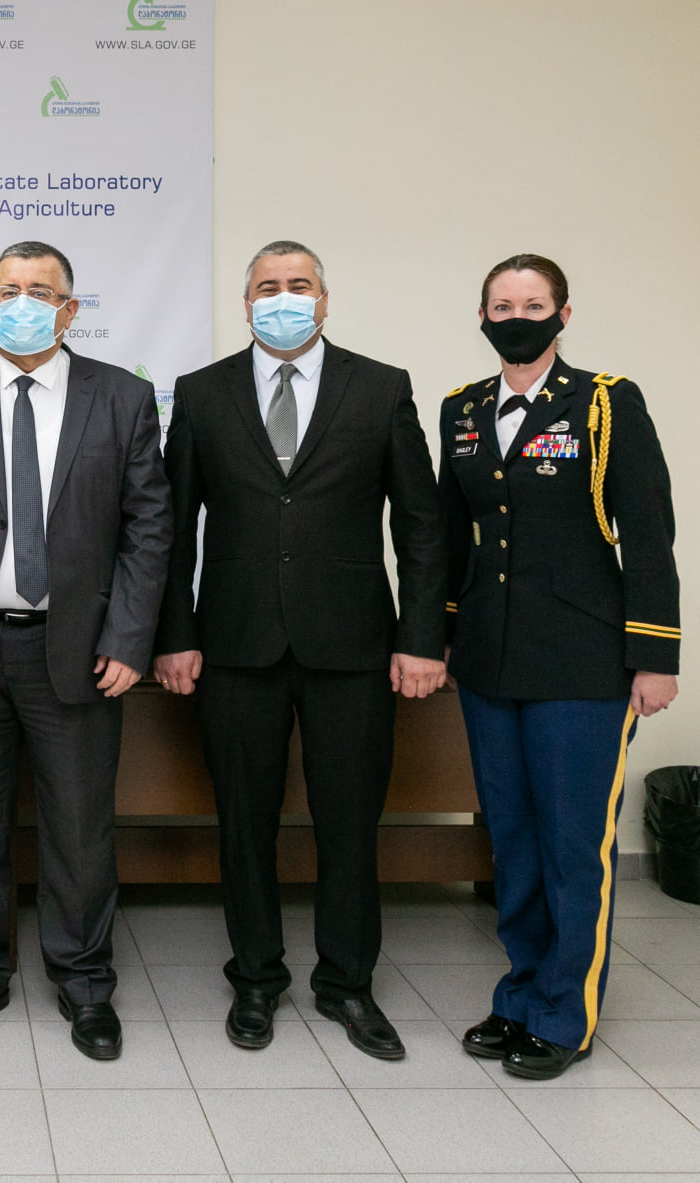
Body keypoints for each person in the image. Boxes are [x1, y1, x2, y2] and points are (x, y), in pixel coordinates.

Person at [152, 240, 445, 1060]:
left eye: (299, 284)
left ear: (324, 298)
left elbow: (420, 525)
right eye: (267, 286)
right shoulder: (202, 392)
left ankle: (348, 982)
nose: (283, 297)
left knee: (349, 823)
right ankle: (255, 977)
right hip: (234, 644)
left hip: (353, 647)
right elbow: (171, 528)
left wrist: (421, 638)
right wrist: (174, 635)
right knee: (243, 823)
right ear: (246, 302)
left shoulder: (380, 387)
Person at [0, 241, 172, 1060]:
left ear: (69, 309)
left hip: (79, 651)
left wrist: (129, 638)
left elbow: (149, 528)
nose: (22, 303)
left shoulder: (122, 397)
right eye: (8, 290)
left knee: (80, 830)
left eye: (40, 292)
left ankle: (84, 982)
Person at [441, 254, 680, 1080]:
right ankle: (520, 995)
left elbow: (647, 532)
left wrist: (655, 655)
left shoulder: (606, 402)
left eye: (534, 304)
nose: (518, 317)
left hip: (583, 661)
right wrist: (444, 634)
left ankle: (564, 1013)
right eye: (503, 305)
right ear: (482, 317)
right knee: (512, 841)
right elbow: (452, 533)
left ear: (563, 315)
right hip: (489, 659)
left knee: (573, 844)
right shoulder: (463, 409)